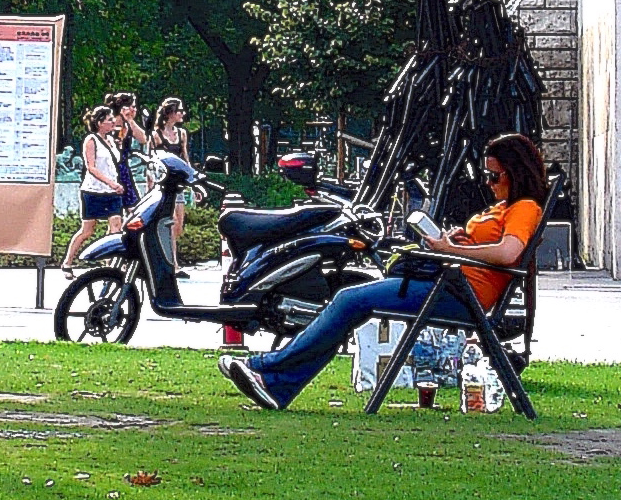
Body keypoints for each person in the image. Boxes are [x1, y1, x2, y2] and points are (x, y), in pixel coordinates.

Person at [222, 133, 548, 410]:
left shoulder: (525, 207)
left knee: (349, 300)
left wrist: (452, 250)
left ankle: (268, 371)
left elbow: (509, 252)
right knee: (350, 303)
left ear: (515, 173)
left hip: (459, 295)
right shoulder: (503, 207)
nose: (489, 183)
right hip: (447, 286)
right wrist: (456, 240)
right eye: (487, 175)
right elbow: (494, 246)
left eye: (495, 176)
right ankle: (276, 384)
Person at [61, 107, 130, 270]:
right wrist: (110, 183)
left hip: (112, 192)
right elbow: (91, 167)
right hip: (93, 191)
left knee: (116, 226)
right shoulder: (91, 140)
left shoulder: (111, 140)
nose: (113, 122)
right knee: (87, 230)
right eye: (109, 119)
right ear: (99, 123)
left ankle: (111, 263)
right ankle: (67, 262)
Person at [149, 97, 194, 276]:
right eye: (180, 110)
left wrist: (193, 182)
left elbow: (185, 159)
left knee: (178, 226)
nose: (183, 113)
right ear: (170, 113)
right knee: (170, 222)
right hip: (163, 185)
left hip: (178, 184)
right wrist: (151, 188)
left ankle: (166, 258)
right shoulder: (156, 135)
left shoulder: (181, 134)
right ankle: (172, 264)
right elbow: (152, 164)